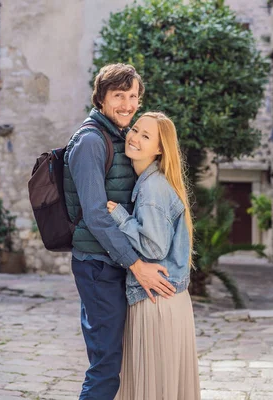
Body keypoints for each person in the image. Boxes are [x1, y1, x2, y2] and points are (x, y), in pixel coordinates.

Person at [63, 64, 177, 400]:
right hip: (99, 265)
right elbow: (96, 216)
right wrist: (136, 265)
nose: (127, 104)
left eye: (132, 96)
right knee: (105, 364)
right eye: (118, 96)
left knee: (116, 359)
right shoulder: (90, 142)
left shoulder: (118, 136)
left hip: (113, 262)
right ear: (101, 98)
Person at [108, 112, 201, 400]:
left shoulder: (152, 188)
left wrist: (120, 217)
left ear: (160, 149)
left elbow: (154, 248)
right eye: (135, 129)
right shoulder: (153, 183)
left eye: (146, 136)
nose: (134, 137)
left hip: (156, 301)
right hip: (164, 299)